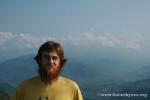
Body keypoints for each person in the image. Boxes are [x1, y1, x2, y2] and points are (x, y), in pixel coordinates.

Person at [11, 41, 83, 100]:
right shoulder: (24, 87)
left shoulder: (72, 88)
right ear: (40, 61)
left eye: (54, 58)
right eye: (46, 57)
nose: (50, 61)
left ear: (61, 63)